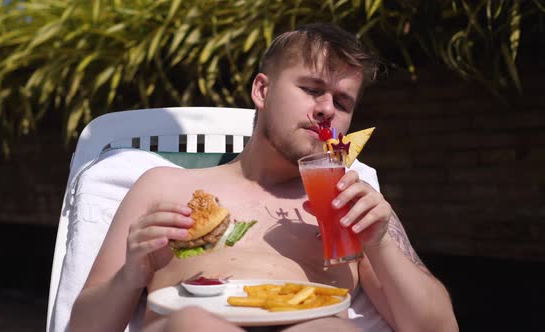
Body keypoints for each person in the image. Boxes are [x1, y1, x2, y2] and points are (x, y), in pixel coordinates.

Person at [70, 23, 458, 332]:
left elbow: (438, 328)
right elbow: (82, 327)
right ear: (262, 89)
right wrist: (129, 275)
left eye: (342, 102)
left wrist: (380, 245)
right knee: (195, 324)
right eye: (311, 89)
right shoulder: (163, 187)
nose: (326, 110)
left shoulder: (348, 203)